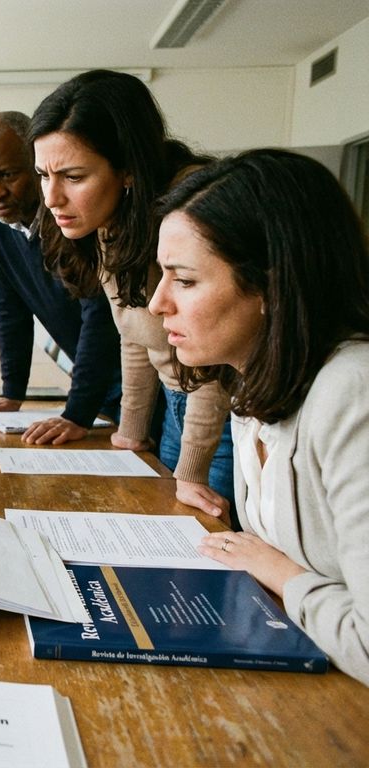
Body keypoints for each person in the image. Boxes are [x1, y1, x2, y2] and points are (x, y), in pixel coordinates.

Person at [149, 148, 369, 686]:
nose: (157, 303)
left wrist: (279, 573)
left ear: (270, 285)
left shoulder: (352, 392)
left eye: (185, 280)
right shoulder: (252, 380)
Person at [29, 70, 234, 519]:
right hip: (177, 401)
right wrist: (130, 434)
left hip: (223, 417)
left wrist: (192, 470)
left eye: (73, 176)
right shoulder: (111, 217)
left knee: (206, 546)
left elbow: (215, 360)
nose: (51, 197)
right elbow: (133, 330)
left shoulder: (194, 210)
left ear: (127, 170)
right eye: (43, 175)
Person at [0, 111, 121, 445]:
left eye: (7, 174)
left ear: (37, 167)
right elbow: (9, 306)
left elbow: (99, 314)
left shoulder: (70, 215)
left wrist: (77, 412)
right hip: (92, 378)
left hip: (131, 374)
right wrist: (12, 392)